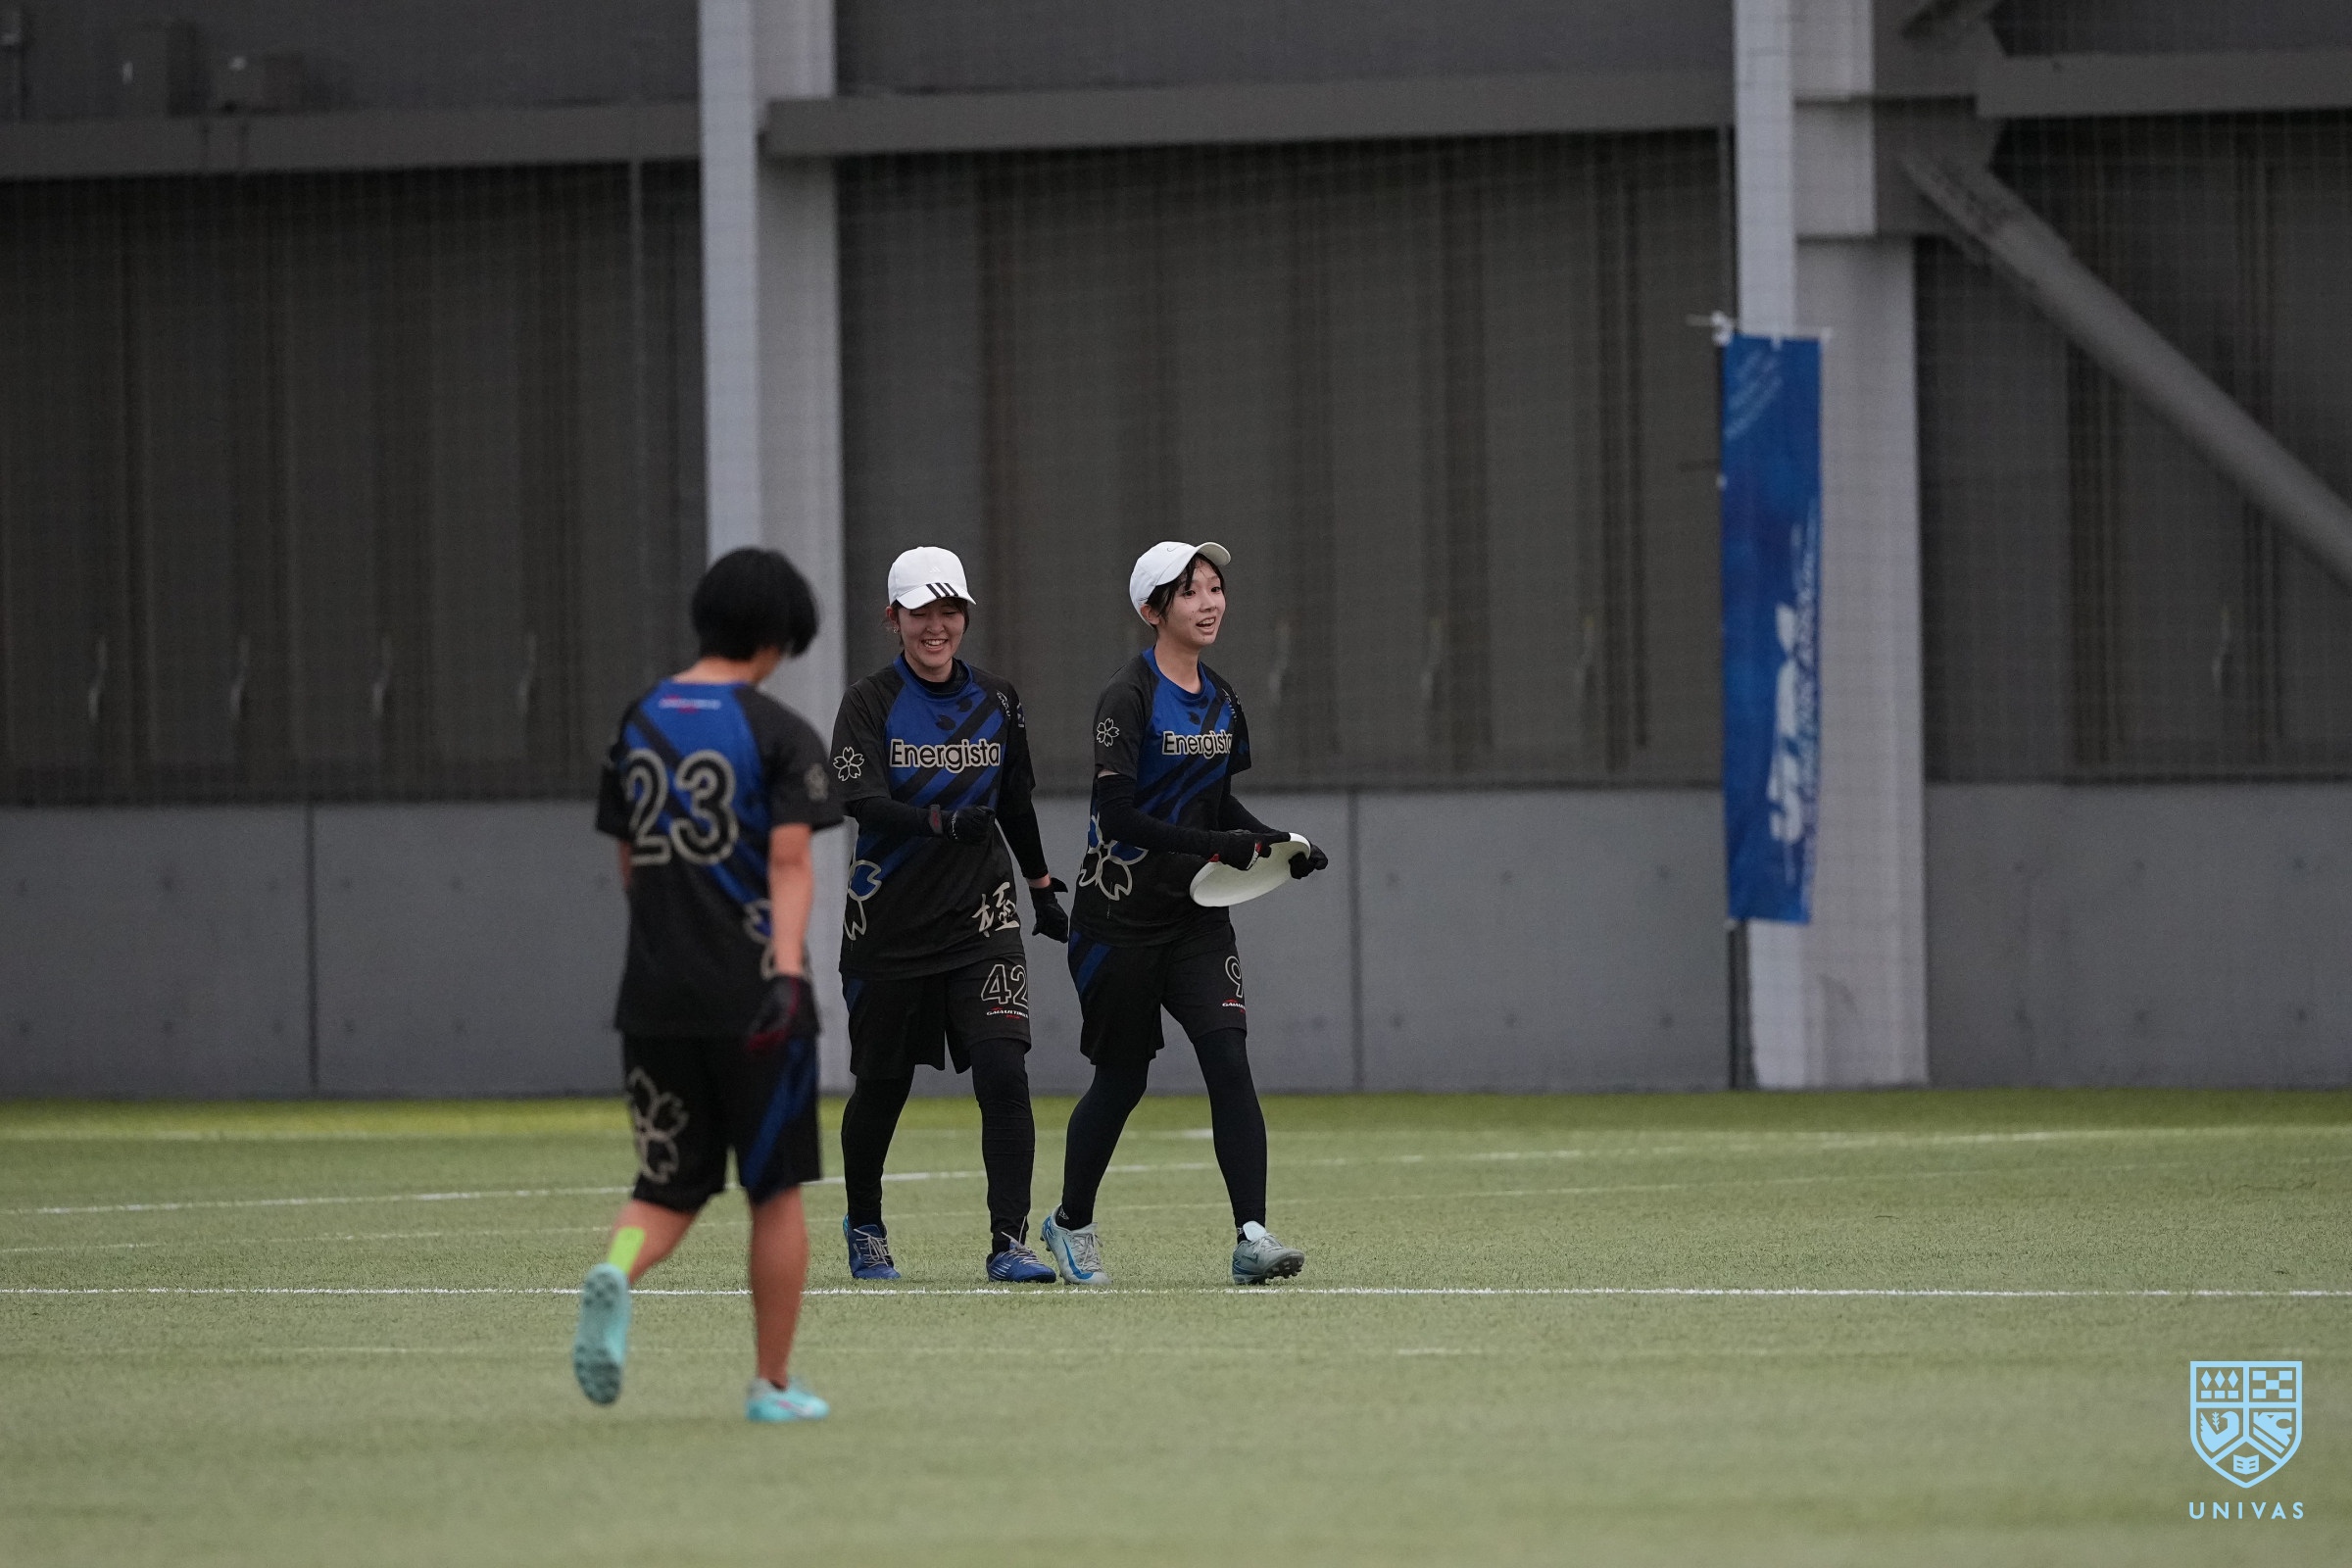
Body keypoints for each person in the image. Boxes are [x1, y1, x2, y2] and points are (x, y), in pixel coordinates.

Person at [571, 547, 844, 1424]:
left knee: (665, 1182)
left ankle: (616, 1269)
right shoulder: (777, 732)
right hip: (756, 998)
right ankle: (772, 1385)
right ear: (777, 636)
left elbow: (629, 864)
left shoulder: (640, 720)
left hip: (654, 998)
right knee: (775, 1191)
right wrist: (788, 970)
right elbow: (790, 863)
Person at [1039, 541, 1329, 1288]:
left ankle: (1251, 1236)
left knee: (1228, 1059)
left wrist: (1279, 845)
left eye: (1215, 587)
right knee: (1122, 1080)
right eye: (1191, 591)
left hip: (1197, 920)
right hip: (1116, 922)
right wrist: (1218, 845)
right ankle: (1070, 1221)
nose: (1210, 602)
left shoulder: (1223, 698)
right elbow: (1119, 816)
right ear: (1152, 609)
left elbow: (1218, 803)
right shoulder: (1126, 698)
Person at [828, 547, 1068, 1284]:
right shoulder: (868, 702)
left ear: (965, 616)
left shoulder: (999, 700)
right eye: (920, 612)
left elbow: (1015, 801)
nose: (937, 626)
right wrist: (944, 822)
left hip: (982, 920)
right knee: (882, 1085)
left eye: (950, 611)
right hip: (887, 926)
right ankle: (865, 1225)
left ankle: (1009, 1241)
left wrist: (1041, 887)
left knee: (1004, 1071)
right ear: (892, 618)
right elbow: (861, 801)